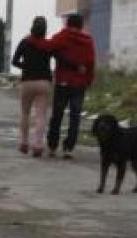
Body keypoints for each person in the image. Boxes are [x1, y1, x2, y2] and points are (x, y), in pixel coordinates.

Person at [38, 13, 96, 158]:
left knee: (57, 114)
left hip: (62, 82)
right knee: (75, 116)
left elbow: (47, 48)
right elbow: (90, 63)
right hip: (79, 84)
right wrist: (88, 80)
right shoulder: (88, 41)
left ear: (68, 24)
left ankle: (52, 146)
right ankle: (68, 148)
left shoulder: (61, 37)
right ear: (81, 25)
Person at [12, 16, 54, 157]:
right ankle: (38, 145)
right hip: (44, 82)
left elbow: (14, 61)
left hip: (28, 82)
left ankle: (24, 143)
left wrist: (26, 66)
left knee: (25, 113)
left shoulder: (25, 42)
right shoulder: (48, 44)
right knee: (41, 115)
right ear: (45, 29)